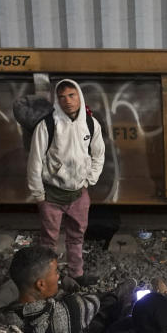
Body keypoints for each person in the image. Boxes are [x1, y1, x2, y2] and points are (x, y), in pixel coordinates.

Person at [27, 79, 105, 286]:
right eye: (62, 97)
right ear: (57, 100)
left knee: (76, 237)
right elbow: (35, 160)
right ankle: (47, 278)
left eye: (72, 95)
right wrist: (39, 194)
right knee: (48, 241)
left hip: (78, 194)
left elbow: (99, 153)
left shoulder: (90, 123)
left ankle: (76, 275)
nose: (67, 101)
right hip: (52, 195)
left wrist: (90, 179)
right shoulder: (48, 125)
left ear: (79, 96)